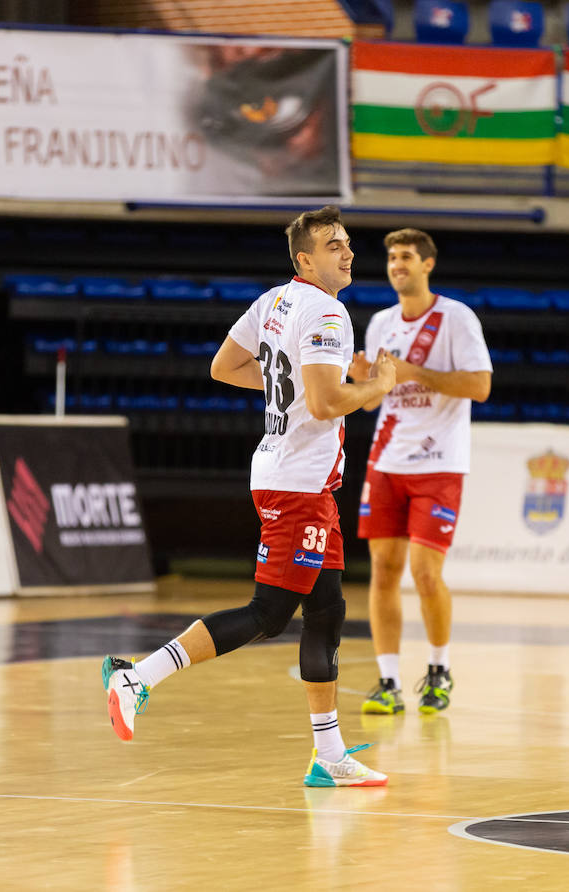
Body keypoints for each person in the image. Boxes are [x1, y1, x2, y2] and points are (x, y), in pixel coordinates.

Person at [101, 205, 398, 787]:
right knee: (269, 614)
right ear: (306, 259)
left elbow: (223, 367)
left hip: (296, 476)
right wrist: (375, 385)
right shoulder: (328, 313)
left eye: (347, 242)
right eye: (334, 245)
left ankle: (329, 756)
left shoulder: (275, 301)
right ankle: (138, 677)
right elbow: (322, 404)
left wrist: (300, 375)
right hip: (298, 483)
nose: (348, 252)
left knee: (328, 609)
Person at [347, 228, 491, 716]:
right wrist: (362, 382)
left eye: (406, 256)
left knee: (426, 574)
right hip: (386, 462)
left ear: (427, 264)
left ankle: (438, 668)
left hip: (440, 464)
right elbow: (374, 402)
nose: (396, 264)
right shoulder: (380, 323)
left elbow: (480, 386)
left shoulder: (456, 318)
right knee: (383, 571)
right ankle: (387, 680)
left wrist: (418, 373)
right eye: (391, 257)